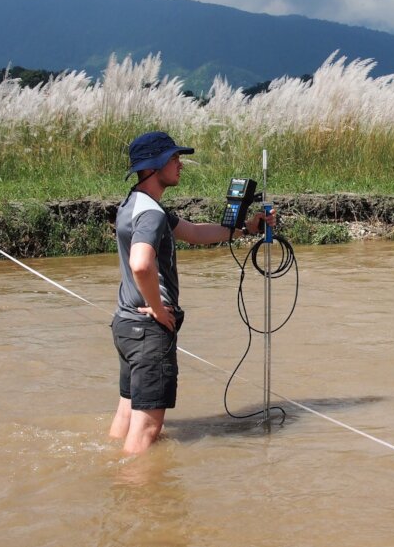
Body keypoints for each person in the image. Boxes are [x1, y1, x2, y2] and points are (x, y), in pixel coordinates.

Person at [109, 131, 275, 454]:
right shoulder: (152, 214)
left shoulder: (133, 203)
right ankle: (134, 497)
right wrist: (158, 310)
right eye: (173, 158)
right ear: (154, 166)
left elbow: (195, 233)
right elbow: (141, 264)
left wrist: (245, 229)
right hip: (148, 331)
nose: (180, 164)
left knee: (127, 413)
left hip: (126, 325)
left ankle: (114, 473)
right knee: (149, 427)